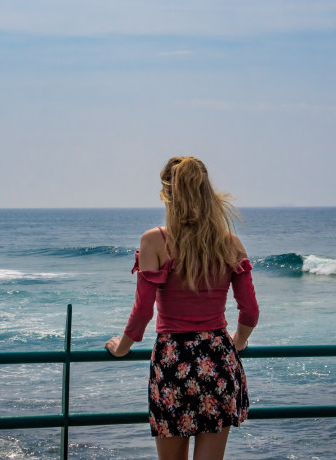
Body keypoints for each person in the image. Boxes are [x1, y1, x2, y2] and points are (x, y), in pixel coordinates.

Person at [105, 156, 260, 460]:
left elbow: (142, 313)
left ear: (167, 194)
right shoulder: (230, 243)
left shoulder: (155, 241)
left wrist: (121, 347)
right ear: (207, 193)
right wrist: (237, 343)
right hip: (217, 358)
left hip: (172, 360)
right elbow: (250, 311)